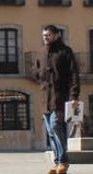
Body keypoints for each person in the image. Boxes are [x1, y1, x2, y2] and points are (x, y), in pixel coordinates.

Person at [34, 25, 80, 174]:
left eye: (48, 35)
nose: (45, 38)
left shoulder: (65, 52)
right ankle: (57, 162)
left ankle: (63, 162)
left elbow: (74, 74)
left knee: (55, 126)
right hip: (45, 98)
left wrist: (74, 96)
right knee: (51, 132)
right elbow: (36, 70)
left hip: (60, 98)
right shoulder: (41, 52)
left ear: (56, 35)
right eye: (43, 36)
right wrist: (40, 75)